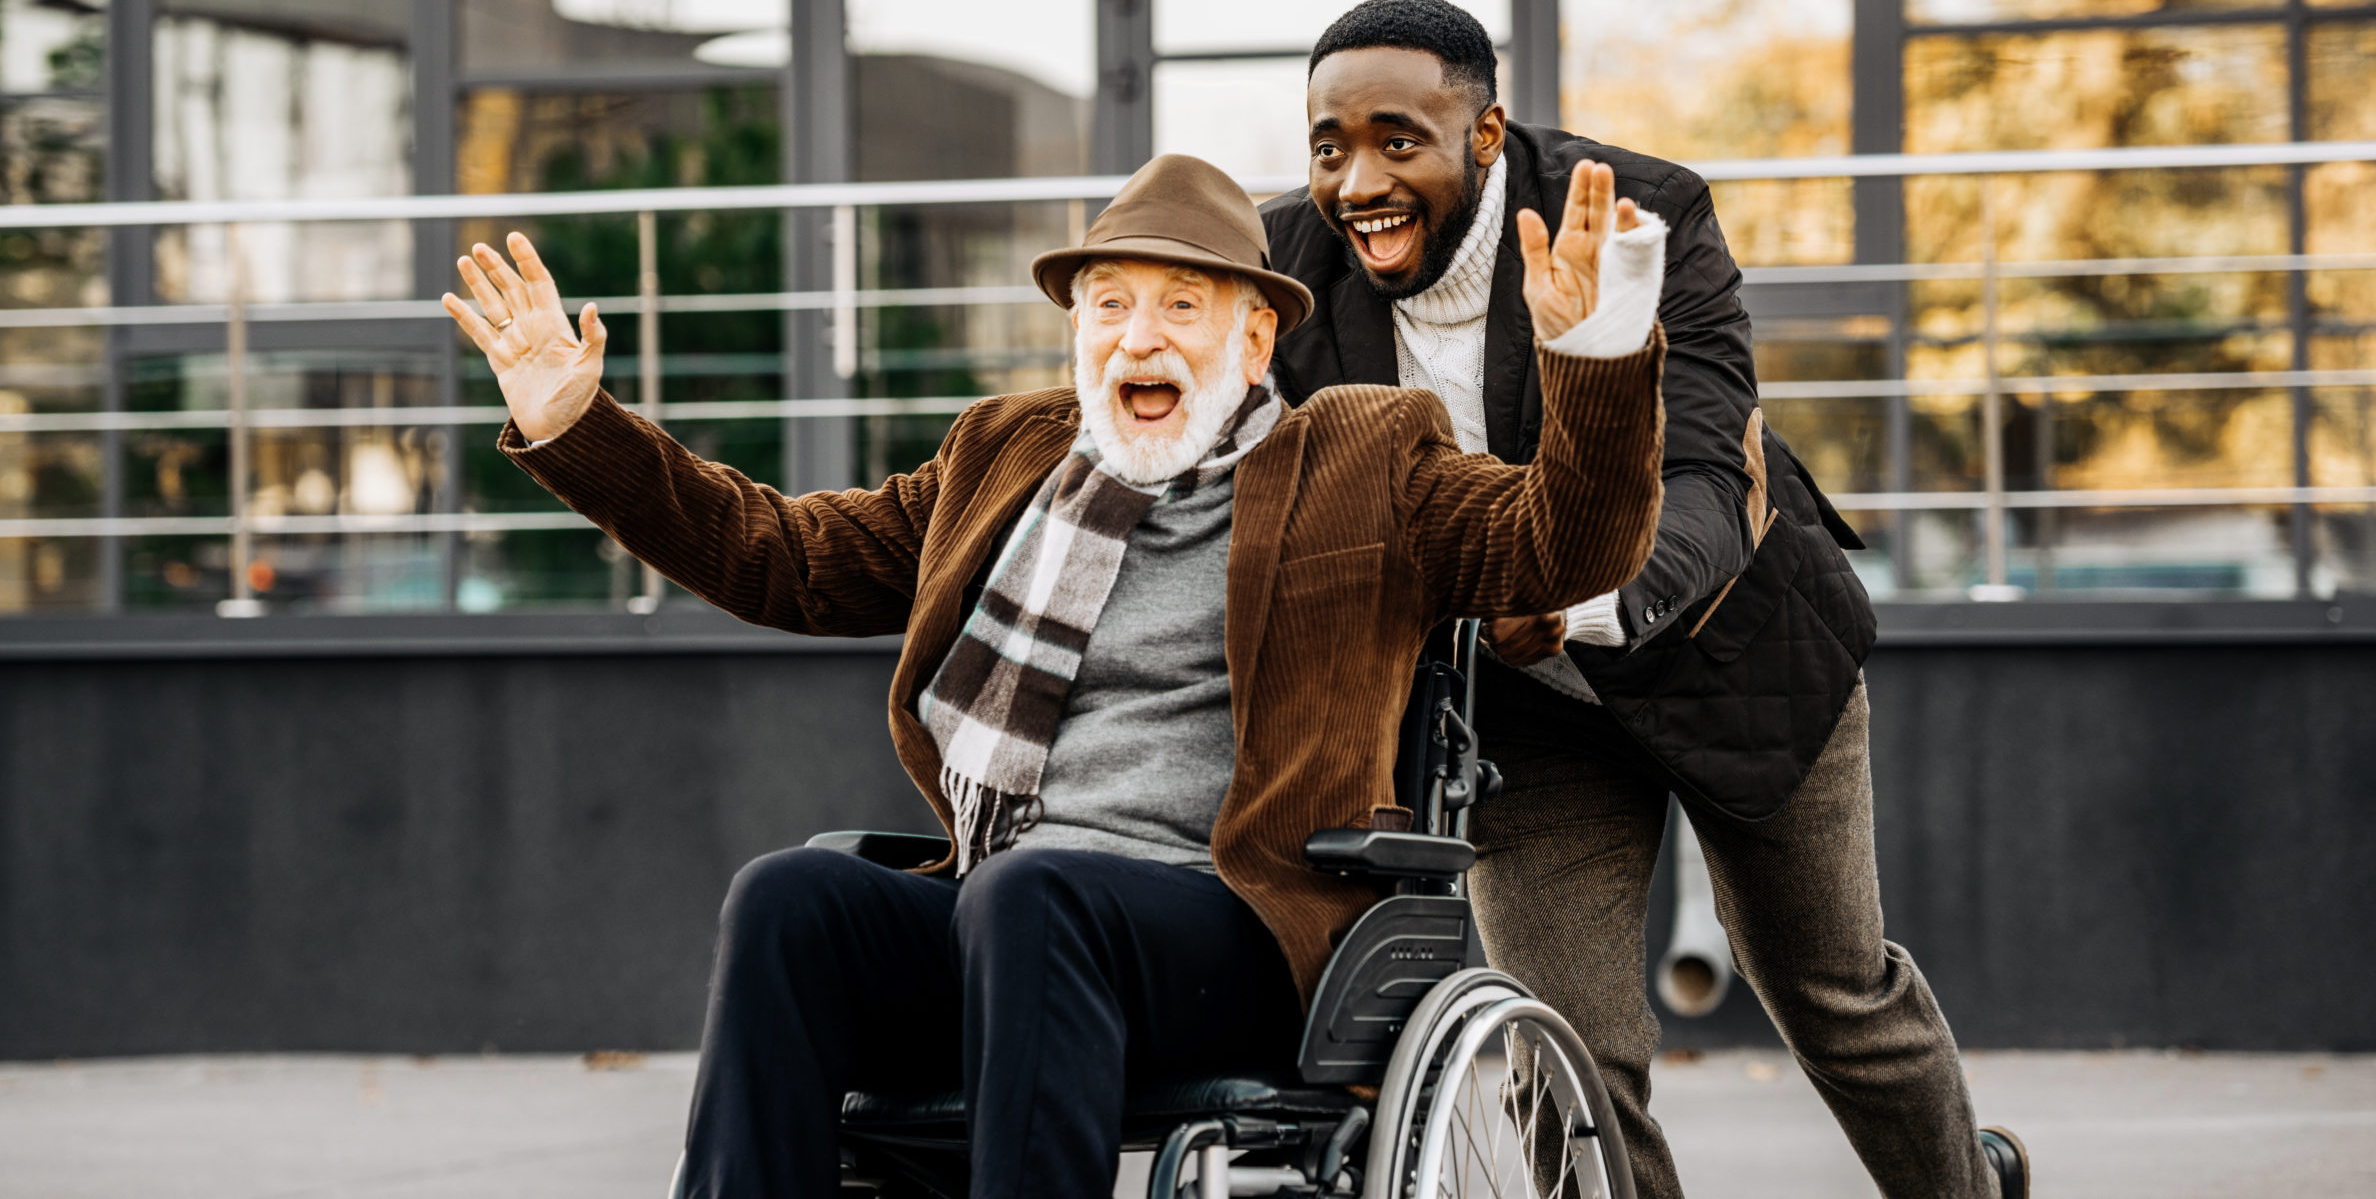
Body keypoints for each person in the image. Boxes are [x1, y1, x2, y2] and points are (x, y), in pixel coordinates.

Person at [444, 152, 1669, 1199]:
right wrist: (577, 423)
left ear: (1254, 338)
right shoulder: (1004, 456)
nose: (1138, 336)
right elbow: (786, 559)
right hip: (1009, 919)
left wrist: (1599, 357)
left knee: (1031, 896)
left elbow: (1560, 543)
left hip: (1238, 930)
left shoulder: (1362, 453)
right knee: (791, 898)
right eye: (1109, 304)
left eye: (1181, 305)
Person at [1259, 0, 2030, 1199]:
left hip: (1726, 648)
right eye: (1329, 145)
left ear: (1484, 129)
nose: (1358, 177)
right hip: (1519, 708)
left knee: (1832, 989)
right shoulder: (1287, 274)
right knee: (1561, 1051)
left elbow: (1706, 473)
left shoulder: (1635, 212)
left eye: (1396, 139)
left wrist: (1572, 600)